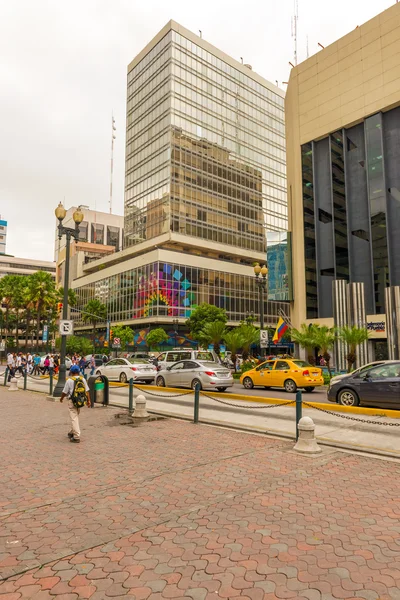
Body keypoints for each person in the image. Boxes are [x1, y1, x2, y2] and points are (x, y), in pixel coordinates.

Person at [60, 365, 91, 443]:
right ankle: (71, 432)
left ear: (72, 372)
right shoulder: (83, 379)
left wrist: (61, 398)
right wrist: (88, 401)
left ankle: (76, 436)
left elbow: (64, 392)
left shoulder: (69, 380)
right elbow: (87, 391)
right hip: (80, 401)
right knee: (75, 416)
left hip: (72, 401)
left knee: (74, 418)